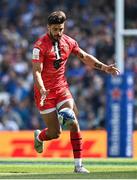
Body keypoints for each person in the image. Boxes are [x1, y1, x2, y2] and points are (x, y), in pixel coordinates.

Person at [32, 10, 120, 173]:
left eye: (61, 29)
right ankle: (39, 137)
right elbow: (37, 71)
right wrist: (42, 88)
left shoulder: (69, 42)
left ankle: (78, 165)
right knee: (55, 133)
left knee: (72, 119)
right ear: (48, 28)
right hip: (44, 92)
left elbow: (84, 56)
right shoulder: (39, 46)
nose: (59, 32)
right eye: (55, 29)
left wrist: (105, 68)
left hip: (61, 88)